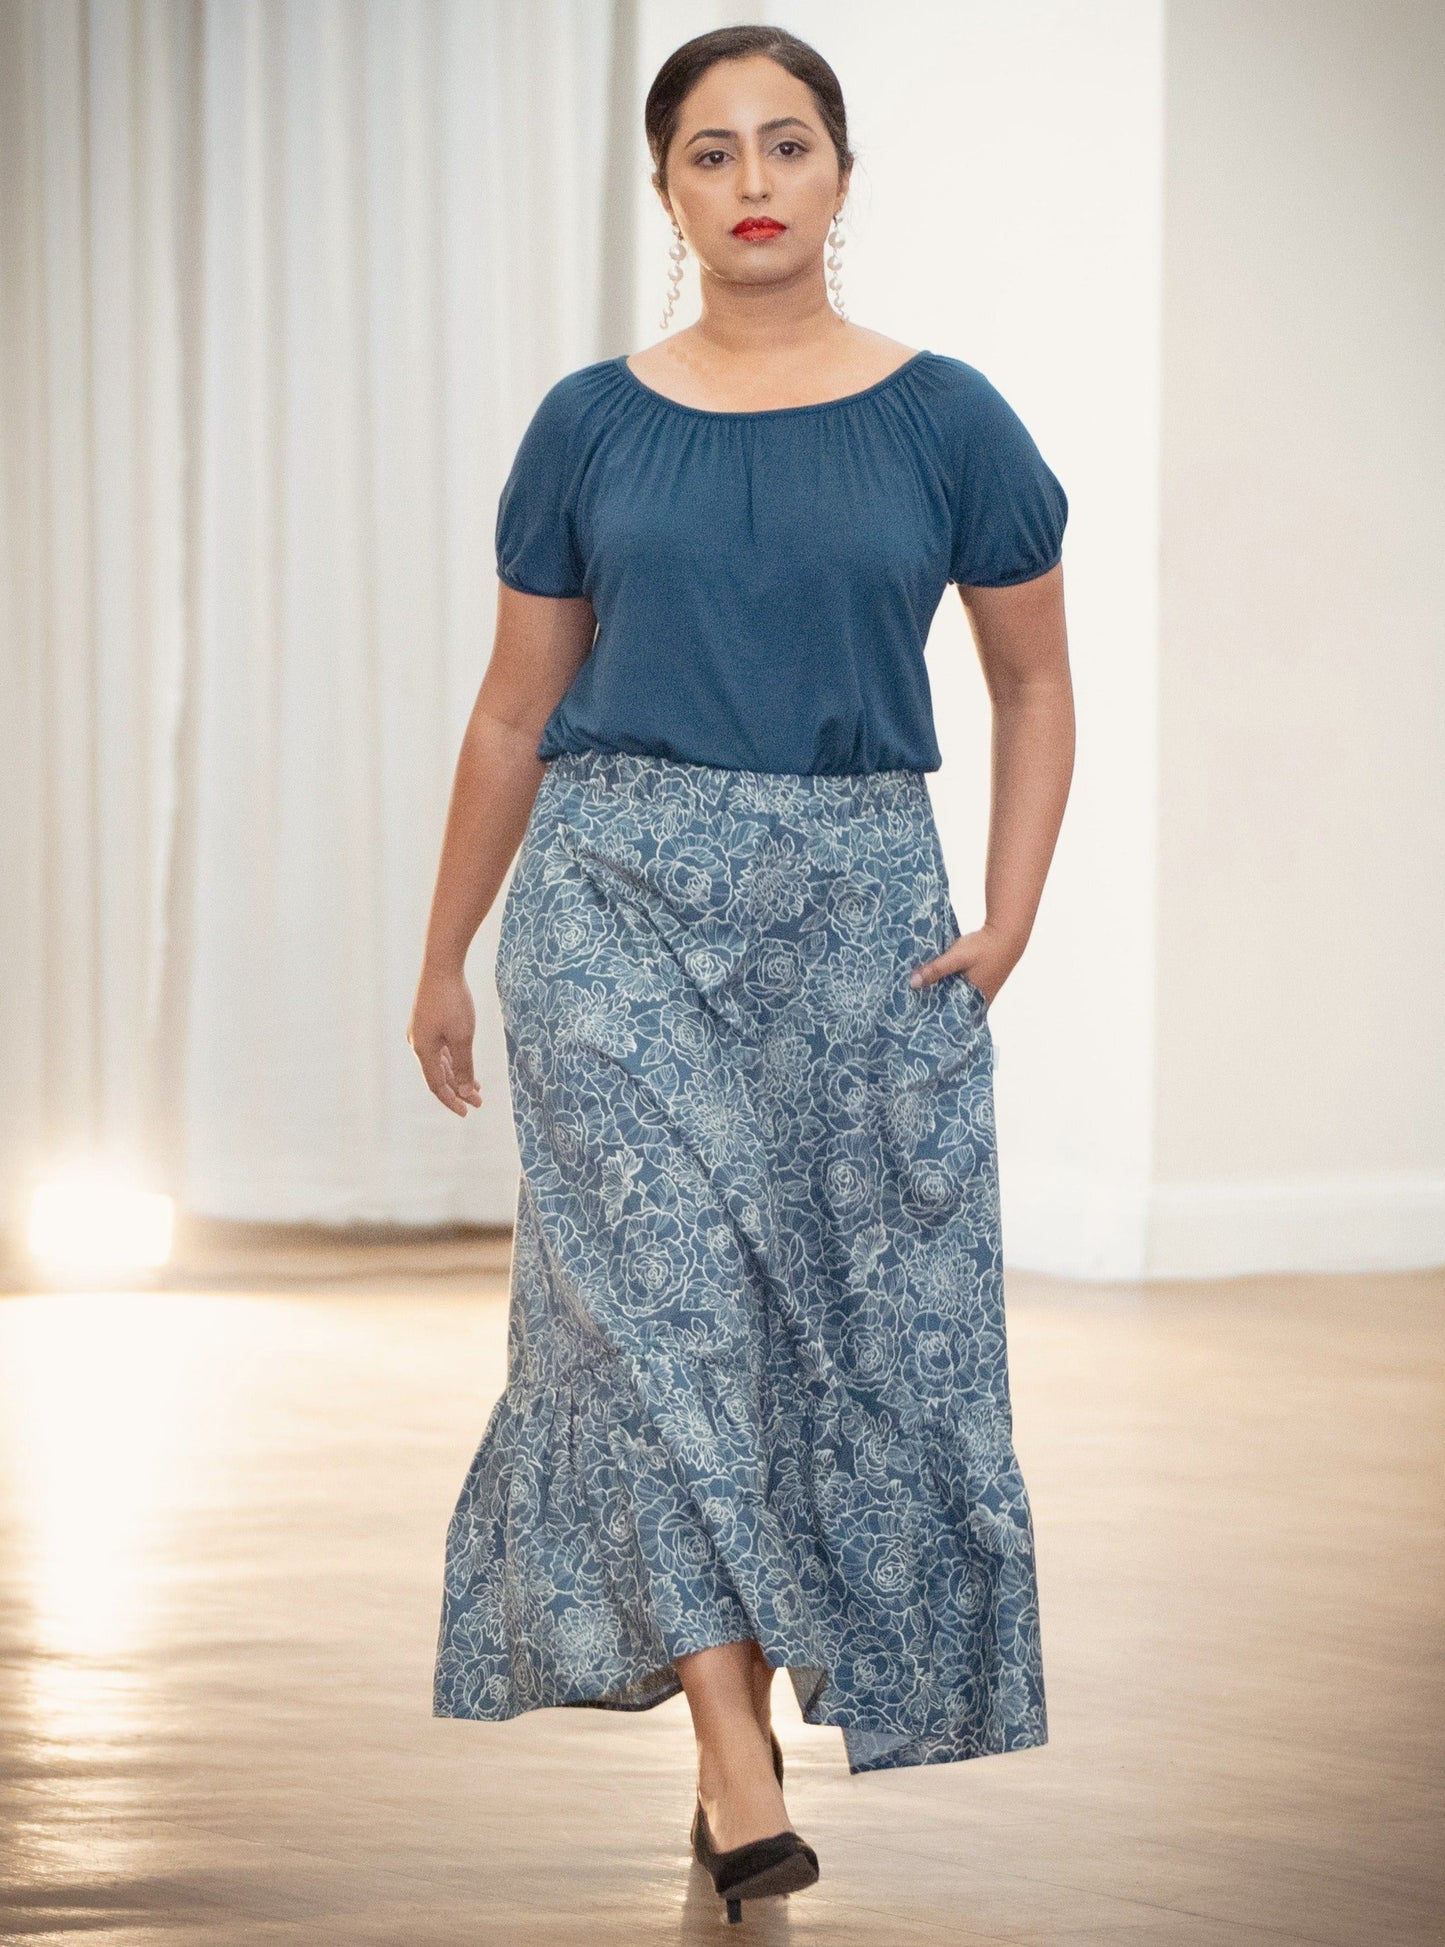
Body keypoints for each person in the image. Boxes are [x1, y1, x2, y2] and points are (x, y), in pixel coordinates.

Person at [408, 22, 1074, 1927]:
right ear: (668, 190)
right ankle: (727, 1748)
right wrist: (445, 948)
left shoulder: (950, 422)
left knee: (840, 1333)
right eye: (712, 153)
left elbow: (1032, 683)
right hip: (612, 897)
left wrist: (1010, 915)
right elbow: (513, 710)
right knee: (651, 1316)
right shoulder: (587, 425)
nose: (753, 181)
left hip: (863, 908)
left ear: (844, 177)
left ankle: (744, 1736)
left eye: (788, 145)